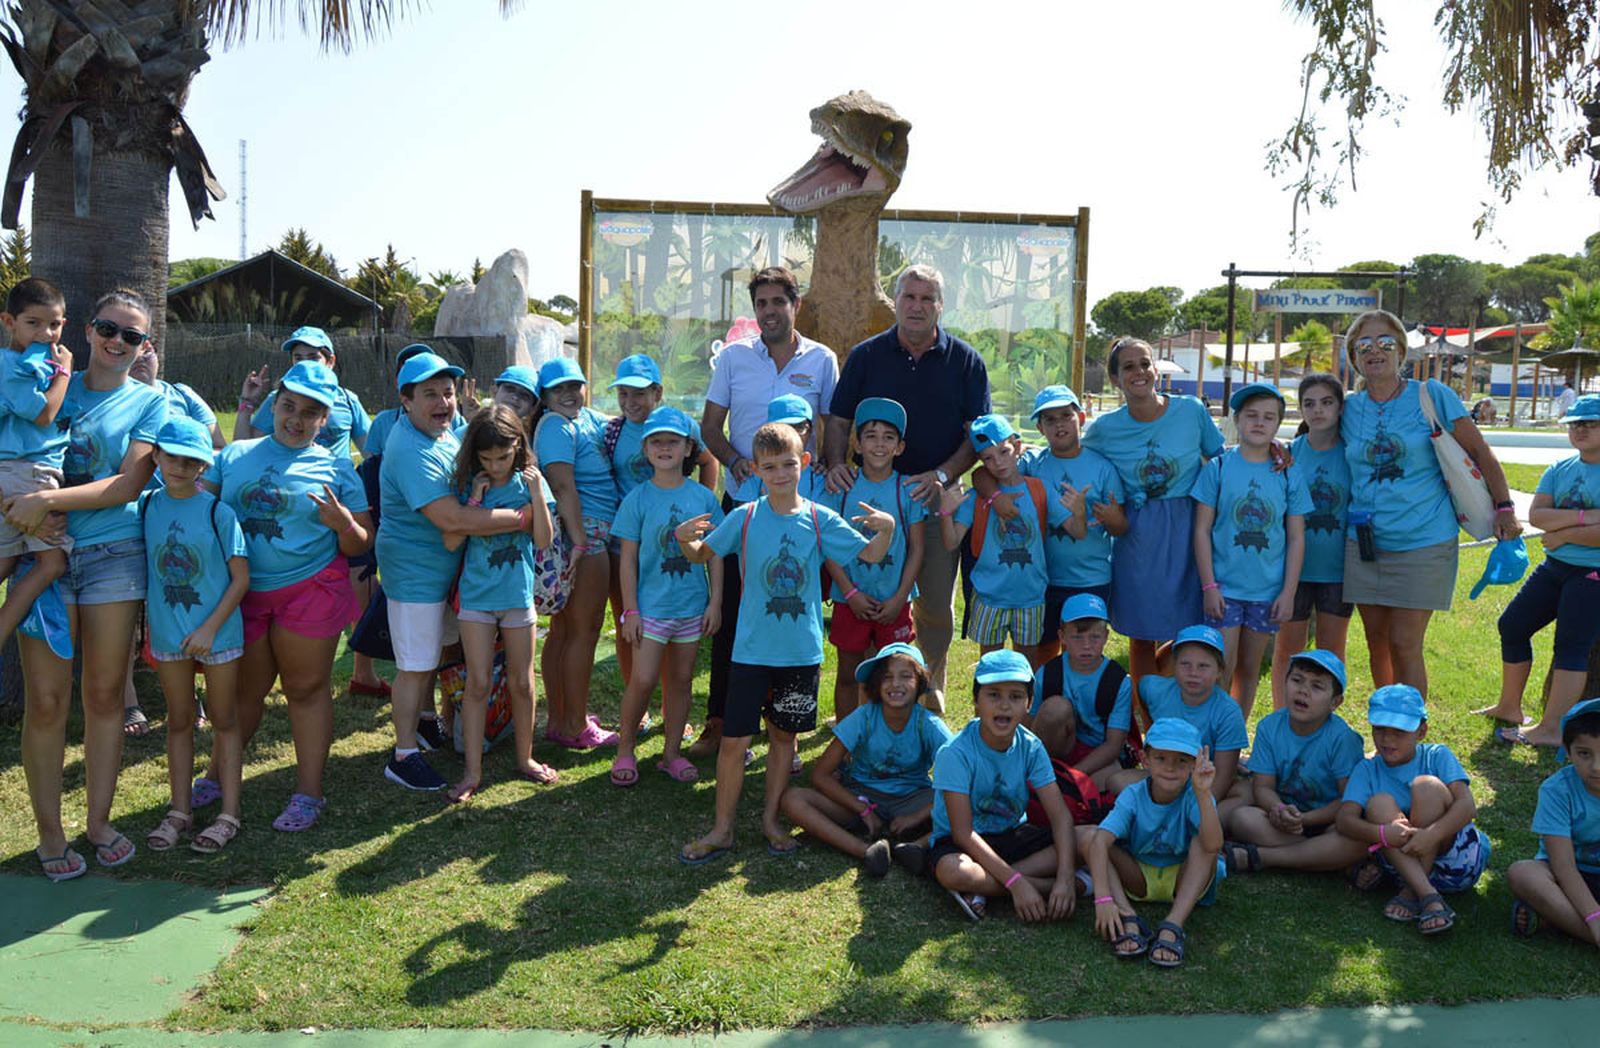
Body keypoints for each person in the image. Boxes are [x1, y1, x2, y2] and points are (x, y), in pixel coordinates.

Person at [672, 421, 894, 864]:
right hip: (750, 652)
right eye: (769, 467)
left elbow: (869, 553)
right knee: (734, 742)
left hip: (800, 653)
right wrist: (685, 542)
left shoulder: (818, 517)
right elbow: (702, 553)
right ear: (754, 470)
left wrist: (886, 528)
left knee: (782, 738)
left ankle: (771, 821)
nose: (779, 474)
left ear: (805, 463)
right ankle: (722, 829)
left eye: (788, 464)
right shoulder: (744, 516)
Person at [8, 288, 168, 879]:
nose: (117, 341)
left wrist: (45, 498)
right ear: (87, 329)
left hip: (113, 558)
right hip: (39, 555)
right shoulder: (44, 386)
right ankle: (51, 835)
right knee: (46, 703)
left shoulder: (151, 404)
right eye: (108, 327)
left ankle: (98, 822)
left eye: (131, 335)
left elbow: (127, 485)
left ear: (143, 346)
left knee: (104, 697)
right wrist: (20, 506)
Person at [194, 360, 370, 830]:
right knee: (244, 692)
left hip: (309, 589)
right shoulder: (233, 456)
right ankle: (215, 774)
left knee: (305, 689)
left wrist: (343, 524)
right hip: (244, 594)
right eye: (289, 406)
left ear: (325, 419)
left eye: (310, 412)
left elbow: (360, 543)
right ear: (275, 405)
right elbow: (196, 511)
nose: (296, 419)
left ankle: (309, 793)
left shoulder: (337, 466)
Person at [825, 265, 990, 712]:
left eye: (927, 298)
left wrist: (939, 475)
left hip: (933, 501)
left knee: (934, 603)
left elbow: (978, 435)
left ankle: (925, 692)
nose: (917, 306)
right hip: (867, 500)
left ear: (941, 305)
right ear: (895, 301)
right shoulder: (865, 356)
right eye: (908, 297)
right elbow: (839, 419)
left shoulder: (966, 361)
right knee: (862, 599)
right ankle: (868, 705)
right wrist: (837, 462)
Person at [1339, 309, 1520, 696]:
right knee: (1377, 643)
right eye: (1364, 344)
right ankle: (1387, 727)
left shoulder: (1431, 395)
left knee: (1405, 644)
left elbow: (1480, 451)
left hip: (1424, 541)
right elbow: (1312, 441)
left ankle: (1411, 737)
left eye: (1385, 342)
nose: (1375, 351)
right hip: (1364, 543)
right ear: (1353, 355)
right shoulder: (1348, 407)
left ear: (1401, 351)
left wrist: (1504, 507)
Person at [699, 267, 838, 752]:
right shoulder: (734, 358)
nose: (770, 311)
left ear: (795, 305)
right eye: (761, 303)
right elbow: (711, 427)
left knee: (792, 610)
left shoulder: (822, 360)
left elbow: (829, 427)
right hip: (743, 505)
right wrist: (735, 461)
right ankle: (721, 722)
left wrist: (830, 466)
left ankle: (785, 729)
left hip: (799, 510)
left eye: (779, 301)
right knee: (733, 614)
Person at [378, 352, 530, 791]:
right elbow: (454, 520)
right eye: (429, 394)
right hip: (415, 574)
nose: (442, 401)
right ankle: (403, 754)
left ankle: (425, 723)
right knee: (414, 664)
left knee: (431, 656)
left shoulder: (443, 433)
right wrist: (522, 519)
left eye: (447, 392)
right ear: (405, 400)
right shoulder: (409, 448)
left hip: (445, 570)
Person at [1081, 337, 1224, 682]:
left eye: (1145, 363)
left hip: (1189, 530)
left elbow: (1223, 461)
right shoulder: (1105, 429)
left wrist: (1273, 453)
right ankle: (1144, 716)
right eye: (1128, 367)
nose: (1139, 372)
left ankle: (1179, 711)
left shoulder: (1191, 411)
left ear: (1155, 369)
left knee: (1188, 629)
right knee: (1142, 633)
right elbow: (1073, 458)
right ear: (1115, 378)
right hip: (1138, 535)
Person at [139, 418, 249, 854]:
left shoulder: (218, 512)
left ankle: (229, 814)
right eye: (172, 458)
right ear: (157, 458)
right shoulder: (145, 506)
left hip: (219, 635)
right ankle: (179, 811)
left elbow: (240, 579)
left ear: (204, 465)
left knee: (224, 721)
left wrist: (209, 627)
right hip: (168, 636)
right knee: (179, 721)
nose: (181, 467)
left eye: (191, 461)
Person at [441, 405, 558, 801]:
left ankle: (525, 759)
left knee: (521, 683)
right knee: (477, 683)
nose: (495, 465)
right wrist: (475, 499)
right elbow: (452, 540)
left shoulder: (530, 483)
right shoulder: (469, 484)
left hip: (517, 597)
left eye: (504, 456)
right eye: (487, 458)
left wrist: (538, 491)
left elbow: (543, 540)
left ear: (519, 447)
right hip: (476, 599)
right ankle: (472, 772)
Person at [610, 406, 723, 787]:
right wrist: (630, 611)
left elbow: (715, 554)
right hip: (652, 608)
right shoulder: (637, 499)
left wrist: (715, 602)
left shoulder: (705, 499)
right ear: (645, 449)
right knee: (642, 679)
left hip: (691, 607)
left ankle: (671, 753)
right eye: (656, 441)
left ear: (689, 446)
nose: (664, 448)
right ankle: (625, 748)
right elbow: (626, 561)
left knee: (681, 679)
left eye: (672, 441)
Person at [1479, 394, 1600, 747]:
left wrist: (1562, 537)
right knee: (1512, 625)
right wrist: (1586, 518)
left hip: (1592, 574)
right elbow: (1536, 516)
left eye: (1590, 423)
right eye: (1575, 423)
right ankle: (1510, 706)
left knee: (1571, 646)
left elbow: (1556, 526)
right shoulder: (1560, 468)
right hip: (1556, 568)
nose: (1580, 429)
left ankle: (1552, 728)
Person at [927, 649, 1078, 922]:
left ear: (1029, 703)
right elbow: (963, 834)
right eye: (993, 695)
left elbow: (1061, 817)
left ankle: (985, 889)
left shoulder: (1031, 746)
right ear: (975, 700)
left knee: (1082, 840)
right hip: (963, 845)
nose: (1004, 705)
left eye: (1016, 696)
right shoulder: (955, 753)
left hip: (1012, 834)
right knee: (953, 872)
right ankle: (1041, 886)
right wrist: (1018, 885)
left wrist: (1065, 878)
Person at [779, 642, 952, 876]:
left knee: (966, 803)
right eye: (887, 677)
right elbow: (821, 774)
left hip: (913, 799)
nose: (896, 684)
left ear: (920, 682)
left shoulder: (929, 725)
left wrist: (915, 817)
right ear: (875, 684)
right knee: (792, 799)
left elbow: (959, 779)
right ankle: (867, 851)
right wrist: (862, 809)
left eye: (905, 676)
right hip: (861, 796)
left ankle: (916, 847)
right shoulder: (863, 717)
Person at [1192, 382, 1310, 720]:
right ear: (1237, 420)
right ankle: (1209, 739)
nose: (1259, 423)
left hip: (1267, 591)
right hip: (1224, 589)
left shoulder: (1288, 472)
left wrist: (1288, 592)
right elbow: (1201, 530)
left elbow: (1296, 538)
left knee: (1249, 668)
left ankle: (1233, 737)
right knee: (1220, 667)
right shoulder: (1218, 468)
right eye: (1251, 416)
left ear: (1277, 424)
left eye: (1268, 417)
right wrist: (1209, 586)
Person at [603, 354, 719, 696]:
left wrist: (702, 507)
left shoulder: (681, 425)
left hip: (678, 542)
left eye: (638, 393)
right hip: (627, 541)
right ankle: (636, 694)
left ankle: (671, 709)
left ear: (658, 393)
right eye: (623, 393)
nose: (630, 402)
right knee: (631, 622)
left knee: (675, 630)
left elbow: (708, 460)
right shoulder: (614, 430)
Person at [1336, 684, 1490, 935]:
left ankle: (1412, 892)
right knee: (1379, 803)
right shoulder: (1367, 769)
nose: (1387, 739)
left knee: (1426, 787)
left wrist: (1431, 834)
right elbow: (1345, 820)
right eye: (1380, 730)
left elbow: (1467, 806)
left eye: (1398, 731)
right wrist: (1384, 834)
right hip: (1397, 868)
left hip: (1455, 862)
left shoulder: (1437, 756)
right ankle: (1428, 895)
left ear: (1421, 731)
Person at [1086, 718, 1223, 968]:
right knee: (1091, 837)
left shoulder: (1197, 795)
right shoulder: (1133, 794)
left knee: (1202, 844)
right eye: (1161, 758)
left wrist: (1204, 794)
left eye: (1181, 761)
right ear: (1144, 760)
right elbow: (1099, 841)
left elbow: (1214, 845)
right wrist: (1103, 899)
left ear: (1194, 765)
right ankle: (1128, 916)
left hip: (1184, 879)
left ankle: (1173, 925)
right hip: (1137, 877)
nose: (1170, 768)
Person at [534, 356, 621, 750]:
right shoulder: (554, 426)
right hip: (585, 536)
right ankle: (574, 725)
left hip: (585, 535)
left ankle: (562, 718)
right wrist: (581, 543)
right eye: (558, 389)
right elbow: (563, 487)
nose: (569, 394)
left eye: (575, 385)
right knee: (583, 632)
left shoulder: (583, 419)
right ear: (545, 396)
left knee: (565, 631)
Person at [1219, 649, 1367, 875]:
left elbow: (1346, 801)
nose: (1303, 690)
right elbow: (1263, 787)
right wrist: (1278, 810)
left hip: (1327, 822)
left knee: (1355, 838)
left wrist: (1305, 820)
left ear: (1335, 702)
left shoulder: (1342, 739)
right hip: (1282, 822)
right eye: (1297, 680)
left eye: (1317, 686)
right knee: (1242, 818)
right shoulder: (1269, 727)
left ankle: (1262, 857)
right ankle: (1328, 859)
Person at [936, 415, 1070, 666]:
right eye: (988, 457)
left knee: (1027, 666)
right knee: (990, 667)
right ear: (980, 461)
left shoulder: (1039, 489)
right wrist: (945, 512)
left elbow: (1076, 528)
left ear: (1017, 447)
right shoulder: (976, 498)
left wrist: (1083, 512)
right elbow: (952, 542)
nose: (997, 462)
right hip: (989, 596)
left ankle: (1026, 706)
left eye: (1003, 452)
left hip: (1031, 596)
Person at [822, 398, 925, 722]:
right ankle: (847, 742)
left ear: (900, 446)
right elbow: (829, 546)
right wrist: (850, 593)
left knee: (895, 675)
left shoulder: (906, 490)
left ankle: (894, 739)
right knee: (849, 674)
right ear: (856, 443)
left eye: (888, 437)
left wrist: (899, 598)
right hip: (850, 599)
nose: (879, 444)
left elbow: (917, 549)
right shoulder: (843, 488)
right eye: (871, 435)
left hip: (893, 602)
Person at [1017, 385, 1126, 662]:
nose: (1059, 425)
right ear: (1040, 428)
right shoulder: (1032, 463)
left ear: (1080, 418)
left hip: (1091, 579)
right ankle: (1045, 702)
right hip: (1044, 578)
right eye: (1049, 420)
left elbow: (1121, 528)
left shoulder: (1103, 468)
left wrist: (1114, 520)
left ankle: (1080, 703)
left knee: (1082, 653)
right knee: (1043, 652)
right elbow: (989, 474)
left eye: (1066, 416)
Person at [0, 277, 73, 661]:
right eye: (34, 323)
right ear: (9, 322)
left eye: (55, 324)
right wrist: (64, 371)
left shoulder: (27, 361)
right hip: (28, 472)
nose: (46, 333)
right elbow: (44, 414)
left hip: (17, 472)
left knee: (8, 560)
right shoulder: (11, 365)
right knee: (52, 561)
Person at [1270, 373, 1352, 709]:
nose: (1317, 410)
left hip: (1338, 570)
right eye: (1309, 403)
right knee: (1288, 651)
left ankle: (1323, 723)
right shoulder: (1288, 455)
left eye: (1327, 402)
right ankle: (1280, 720)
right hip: (1295, 571)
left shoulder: (1351, 453)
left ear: (1340, 407)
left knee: (1330, 654)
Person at [1105, 625, 1247, 809]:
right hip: (1166, 775)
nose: (1193, 673)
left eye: (1203, 666)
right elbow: (1142, 693)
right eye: (1185, 664)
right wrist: (1153, 732)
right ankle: (1170, 811)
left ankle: (1177, 814)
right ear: (1174, 664)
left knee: (1245, 794)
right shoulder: (1154, 688)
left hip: (1204, 780)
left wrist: (1203, 809)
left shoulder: (1228, 711)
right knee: (1116, 781)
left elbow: (1223, 776)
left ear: (1219, 671)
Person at [1507, 698, 1600, 944]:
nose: (1597, 766)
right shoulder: (1557, 790)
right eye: (1584, 753)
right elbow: (1564, 866)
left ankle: (1554, 919)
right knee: (1523, 873)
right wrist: (1595, 918)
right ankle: (1588, 931)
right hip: (1564, 875)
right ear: (1567, 752)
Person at [1028, 594, 1133, 789]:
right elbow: (1029, 728)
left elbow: (1113, 745)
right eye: (1077, 637)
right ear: (1062, 637)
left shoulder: (1118, 681)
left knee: (1114, 783)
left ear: (1106, 637)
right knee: (1055, 708)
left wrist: (1075, 774)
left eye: (1094, 637)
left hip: (1098, 756)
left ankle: (1060, 789)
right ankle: (1044, 778)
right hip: (1059, 748)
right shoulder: (1048, 673)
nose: (1086, 645)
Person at [234, 325, 370, 459]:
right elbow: (243, 452)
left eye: (313, 358)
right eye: (298, 358)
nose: (305, 364)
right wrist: (247, 402)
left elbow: (370, 452)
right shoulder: (279, 400)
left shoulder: (347, 400)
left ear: (330, 361)